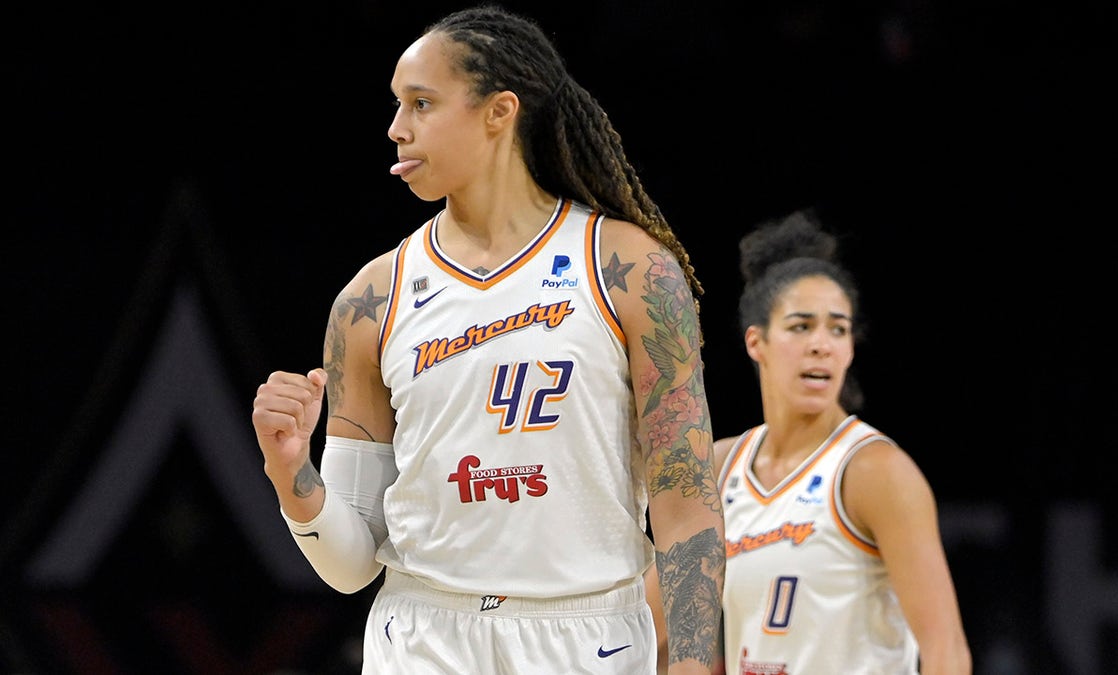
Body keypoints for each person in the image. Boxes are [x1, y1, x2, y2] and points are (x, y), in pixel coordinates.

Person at [250, 5, 724, 674]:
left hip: (590, 636)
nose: (395, 128)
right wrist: (289, 471)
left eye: (421, 103)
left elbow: (686, 504)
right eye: (395, 105)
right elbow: (352, 566)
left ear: (499, 112)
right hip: (422, 635)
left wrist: (695, 663)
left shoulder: (632, 270)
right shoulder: (369, 300)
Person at [647, 209, 971, 674]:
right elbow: (646, 624)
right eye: (801, 326)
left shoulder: (873, 471)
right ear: (756, 342)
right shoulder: (720, 467)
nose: (822, 343)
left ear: (850, 349)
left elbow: (947, 652)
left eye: (837, 329)